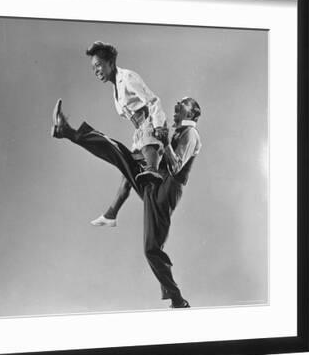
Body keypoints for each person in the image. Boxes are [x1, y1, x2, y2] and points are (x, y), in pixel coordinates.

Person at [51, 96, 202, 308]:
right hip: (153, 180)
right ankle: (68, 132)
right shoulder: (176, 130)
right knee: (120, 154)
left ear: (192, 113)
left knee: (151, 248)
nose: (177, 104)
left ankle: (177, 300)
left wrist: (165, 142)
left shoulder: (191, 133)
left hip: (166, 189)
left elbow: (176, 167)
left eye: (183, 103)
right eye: (178, 102)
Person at [84, 41, 167, 228]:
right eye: (93, 68)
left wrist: (159, 125)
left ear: (110, 63)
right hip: (139, 132)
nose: (96, 71)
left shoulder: (128, 77)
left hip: (150, 125)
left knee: (148, 165)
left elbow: (153, 101)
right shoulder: (115, 87)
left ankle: (153, 174)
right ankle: (110, 215)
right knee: (126, 175)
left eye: (98, 65)